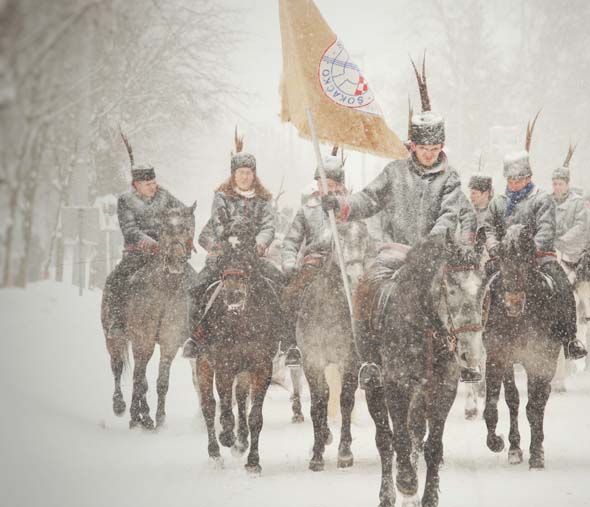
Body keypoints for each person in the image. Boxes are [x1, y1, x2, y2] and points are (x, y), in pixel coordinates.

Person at [322, 55, 470, 389]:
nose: (429, 153)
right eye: (424, 147)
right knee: (365, 288)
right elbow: (368, 199)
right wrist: (342, 205)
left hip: (435, 255)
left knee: (465, 294)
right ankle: (369, 360)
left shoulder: (450, 178)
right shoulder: (394, 172)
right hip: (395, 252)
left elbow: (450, 215)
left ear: (441, 147)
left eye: (435, 147)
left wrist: (431, 246)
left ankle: (465, 354)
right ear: (412, 146)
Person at [483, 116, 587, 360]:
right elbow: (489, 228)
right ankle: (476, 331)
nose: (514, 184)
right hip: (505, 261)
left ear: (529, 177)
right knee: (479, 286)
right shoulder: (498, 203)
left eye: (519, 179)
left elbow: (546, 230)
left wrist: (528, 252)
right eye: (511, 180)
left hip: (539, 259)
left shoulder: (542, 200)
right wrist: (495, 247)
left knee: (562, 286)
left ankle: (570, 338)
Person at [183, 129, 284, 359]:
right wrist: (228, 242)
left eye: (249, 173)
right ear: (233, 175)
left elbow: (268, 226)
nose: (245, 177)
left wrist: (259, 244)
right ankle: (195, 337)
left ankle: (283, 338)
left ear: (254, 175)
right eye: (241, 173)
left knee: (279, 284)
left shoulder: (264, 199)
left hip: (252, 258)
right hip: (225, 257)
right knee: (197, 288)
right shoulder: (221, 196)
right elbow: (218, 223)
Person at [105, 132, 185, 339]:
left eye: (154, 182)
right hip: (137, 254)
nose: (153, 187)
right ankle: (117, 322)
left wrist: (179, 237)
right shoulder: (125, 200)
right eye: (148, 184)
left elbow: (183, 212)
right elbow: (130, 230)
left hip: (168, 253)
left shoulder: (164, 195)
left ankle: (192, 324)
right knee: (116, 280)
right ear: (136, 185)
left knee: (192, 279)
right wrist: (150, 243)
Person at [279, 150, 349, 367]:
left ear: (340, 184)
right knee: (290, 294)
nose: (326, 187)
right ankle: (291, 345)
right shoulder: (307, 210)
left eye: (331, 183)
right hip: (314, 263)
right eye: (321, 182)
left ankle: (366, 350)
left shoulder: (351, 207)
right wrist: (289, 262)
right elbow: (291, 241)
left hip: (345, 264)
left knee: (364, 298)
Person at [550, 144, 589, 271]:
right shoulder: (547, 201)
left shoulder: (577, 202)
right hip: (550, 248)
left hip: (571, 251)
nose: (557, 187)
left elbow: (580, 225)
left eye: (560, 184)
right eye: (555, 184)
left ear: (567, 185)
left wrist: (563, 239)